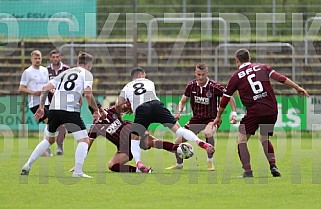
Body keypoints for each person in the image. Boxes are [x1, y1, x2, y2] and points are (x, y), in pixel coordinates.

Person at [213, 48, 310, 178]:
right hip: (271, 109)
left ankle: (248, 172)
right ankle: (273, 166)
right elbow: (281, 78)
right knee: (264, 137)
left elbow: (225, 98)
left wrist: (218, 116)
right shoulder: (263, 67)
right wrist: (298, 88)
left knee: (241, 139)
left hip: (254, 110)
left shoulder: (236, 76)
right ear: (250, 59)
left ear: (236, 61)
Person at [115, 67, 215, 170]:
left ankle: (139, 163)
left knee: (134, 137)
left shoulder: (126, 87)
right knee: (179, 129)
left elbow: (118, 105)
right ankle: (199, 142)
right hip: (156, 105)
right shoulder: (150, 82)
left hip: (141, 109)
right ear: (141, 75)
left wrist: (120, 115)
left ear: (133, 77)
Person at [20, 51, 100, 178]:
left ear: (78, 62)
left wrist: (41, 107)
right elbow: (88, 95)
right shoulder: (87, 74)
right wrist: (96, 110)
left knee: (48, 139)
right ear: (89, 65)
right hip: (69, 110)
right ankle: (78, 172)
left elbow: (46, 87)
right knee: (84, 140)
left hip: (53, 109)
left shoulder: (66, 72)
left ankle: (27, 165)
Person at [71, 100, 180, 173]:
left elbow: (124, 106)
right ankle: (140, 170)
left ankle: (179, 148)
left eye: (99, 109)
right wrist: (78, 163)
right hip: (124, 148)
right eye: (96, 111)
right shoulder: (95, 127)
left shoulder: (112, 110)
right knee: (112, 165)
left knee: (152, 142)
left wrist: (128, 105)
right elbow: (87, 145)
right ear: (93, 113)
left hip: (133, 133)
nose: (99, 113)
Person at [166, 63, 237, 171]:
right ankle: (179, 165)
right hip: (196, 119)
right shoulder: (191, 85)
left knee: (208, 133)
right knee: (177, 141)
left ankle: (210, 162)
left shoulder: (214, 86)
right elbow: (182, 101)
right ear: (195, 73)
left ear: (207, 73)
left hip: (212, 118)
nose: (200, 77)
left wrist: (234, 112)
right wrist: (179, 111)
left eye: (203, 74)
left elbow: (230, 97)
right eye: (198, 74)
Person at [19, 50, 53, 157]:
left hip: (46, 101)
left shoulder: (45, 70)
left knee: (50, 124)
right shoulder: (27, 72)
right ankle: (45, 148)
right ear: (31, 59)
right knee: (50, 122)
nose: (37, 60)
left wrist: (53, 90)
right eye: (35, 58)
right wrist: (34, 92)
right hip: (35, 103)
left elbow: (48, 85)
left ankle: (45, 148)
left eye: (39, 58)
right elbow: (21, 88)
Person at [47, 49, 70, 155]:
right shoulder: (46, 70)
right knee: (49, 124)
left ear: (60, 57)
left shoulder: (66, 69)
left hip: (63, 101)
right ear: (50, 58)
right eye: (53, 57)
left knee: (62, 125)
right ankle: (47, 146)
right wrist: (50, 89)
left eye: (57, 57)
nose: (56, 59)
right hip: (49, 102)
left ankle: (59, 146)